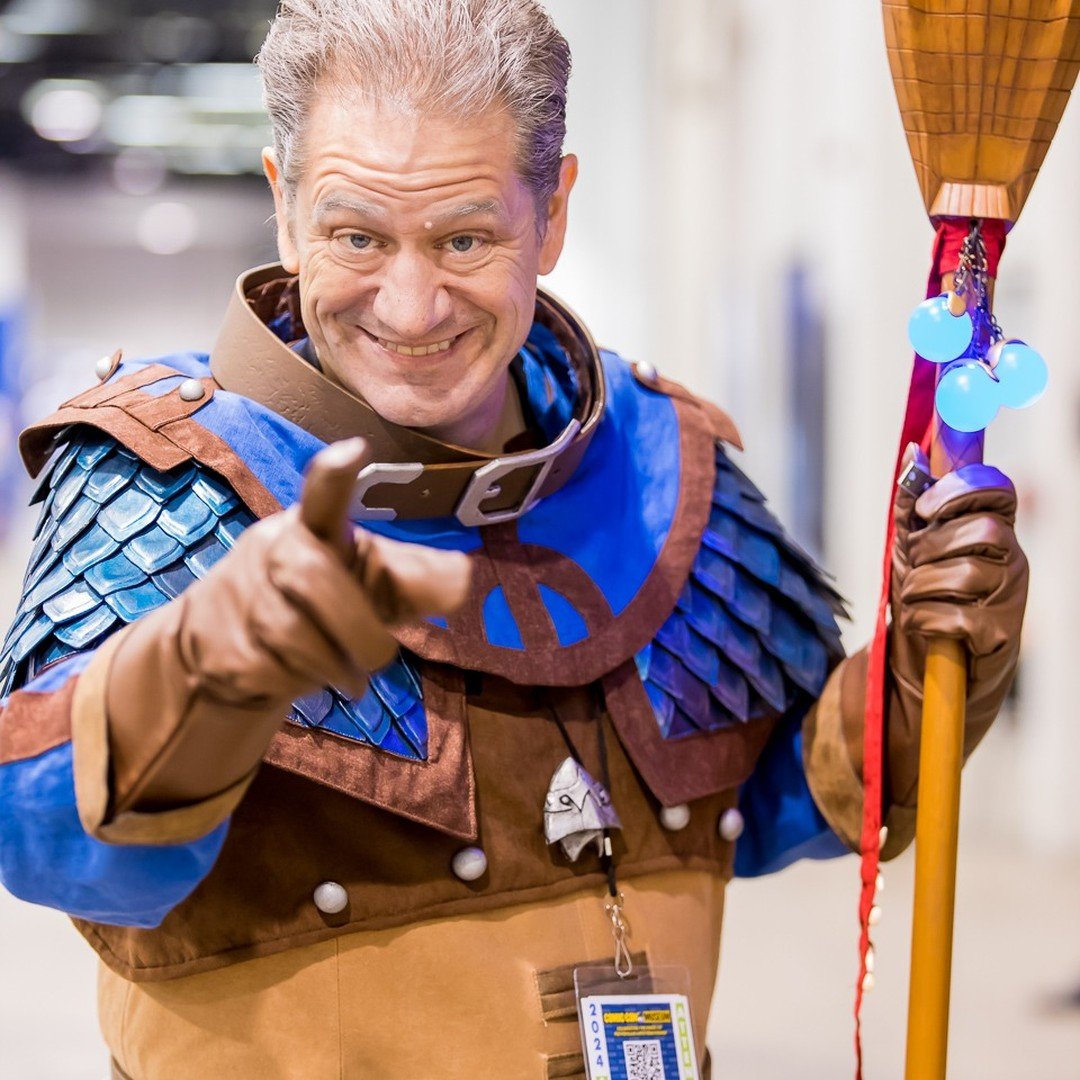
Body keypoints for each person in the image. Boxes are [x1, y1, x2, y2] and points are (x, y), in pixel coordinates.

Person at [0, 1, 1027, 1077]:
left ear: (554, 214)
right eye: (357, 234)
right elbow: (62, 854)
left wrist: (924, 666)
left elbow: (769, 803)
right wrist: (201, 669)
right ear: (285, 208)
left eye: (465, 237)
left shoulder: (659, 457)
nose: (411, 302)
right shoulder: (165, 472)